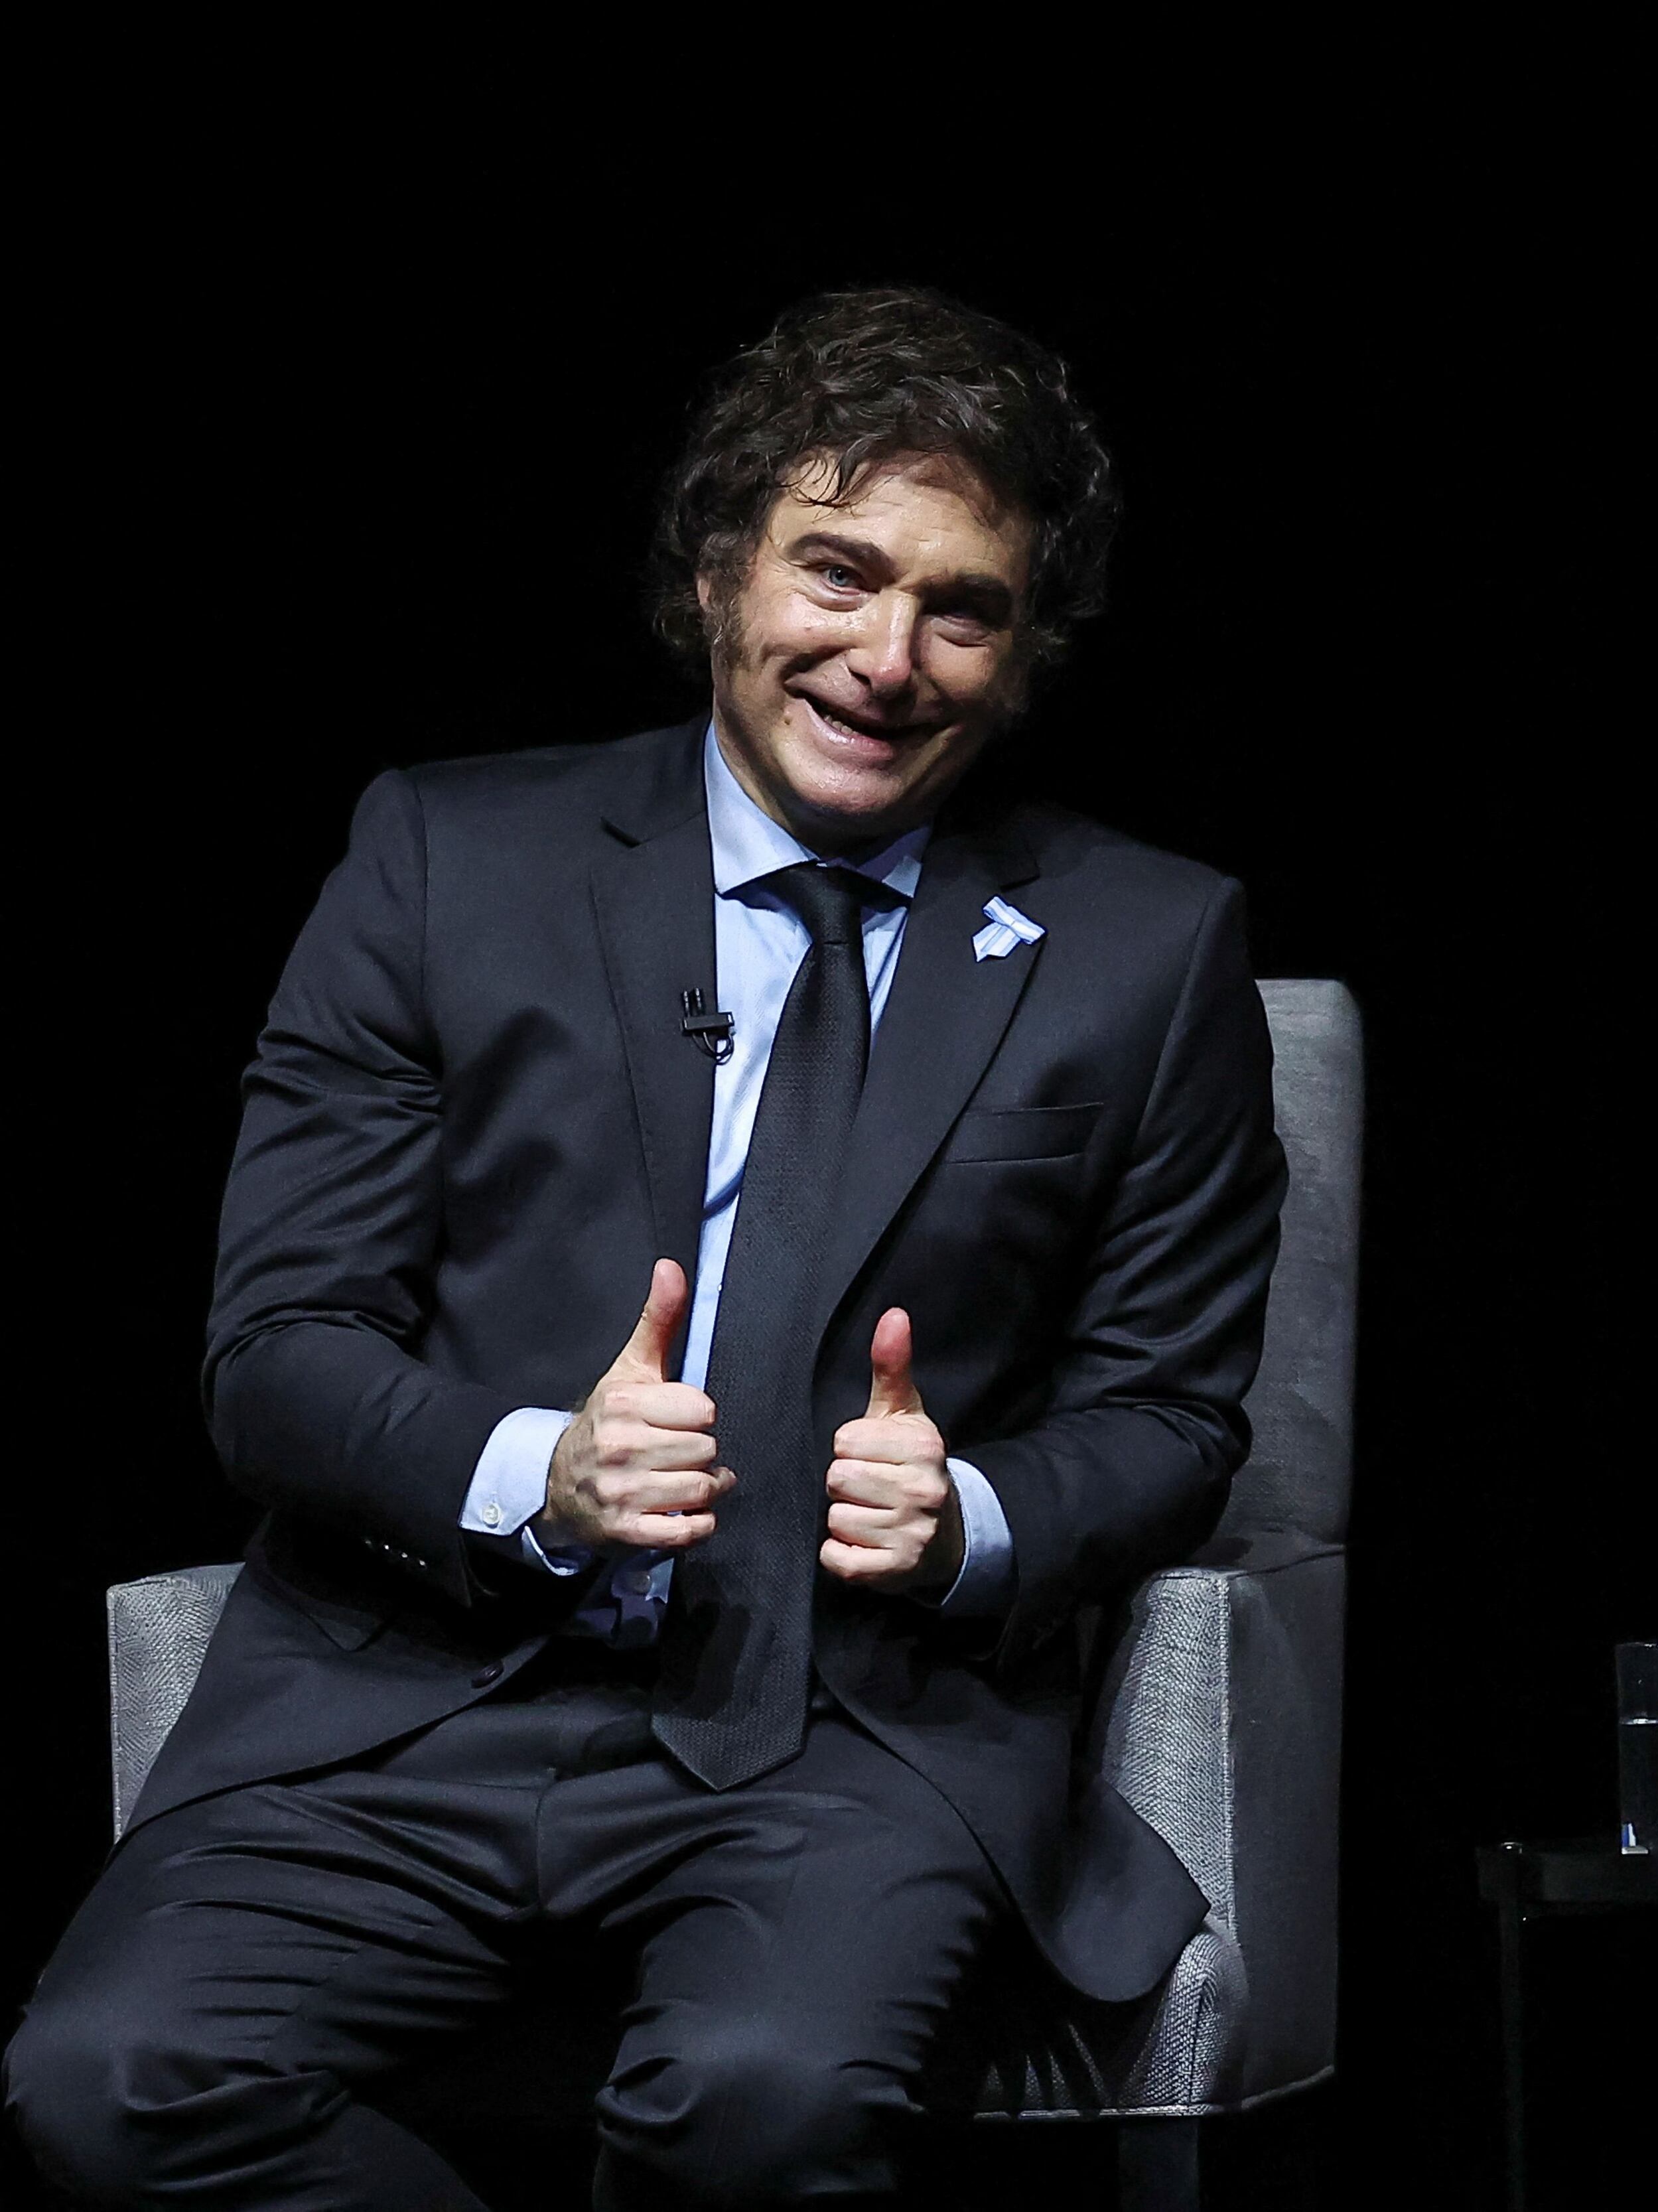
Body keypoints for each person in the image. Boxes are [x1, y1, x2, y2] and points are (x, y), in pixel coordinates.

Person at [9, 288, 1286, 2207]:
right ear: (716, 574)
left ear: (1024, 657)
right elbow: (277, 1347)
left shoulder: (1147, 946)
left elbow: (1177, 1414)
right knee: (111, 2081)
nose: (887, 657)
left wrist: (976, 1518)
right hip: (415, 1703)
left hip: (853, 1727)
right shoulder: (447, 861)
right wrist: (546, 1469)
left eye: (965, 609)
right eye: (837, 576)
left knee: (761, 2108)